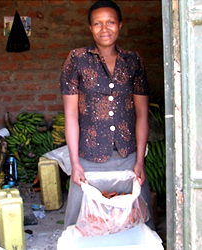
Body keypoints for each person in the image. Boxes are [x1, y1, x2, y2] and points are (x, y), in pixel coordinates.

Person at [60, 0, 155, 231]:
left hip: (128, 155)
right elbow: (71, 114)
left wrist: (140, 160)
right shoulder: (77, 59)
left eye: (110, 22)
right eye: (97, 24)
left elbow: (142, 113)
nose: (105, 29)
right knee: (84, 223)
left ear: (120, 25)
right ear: (90, 28)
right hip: (88, 156)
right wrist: (75, 163)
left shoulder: (133, 61)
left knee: (136, 218)